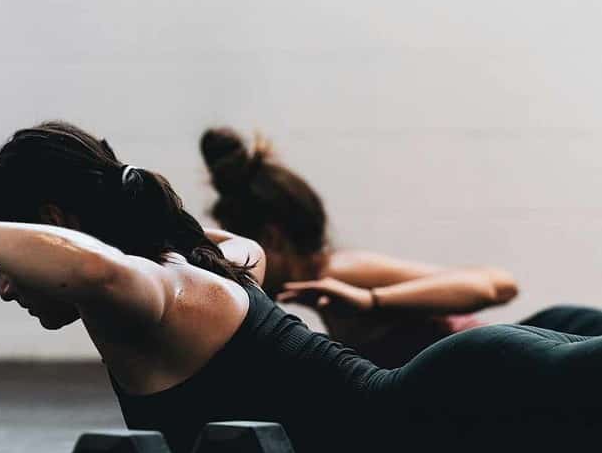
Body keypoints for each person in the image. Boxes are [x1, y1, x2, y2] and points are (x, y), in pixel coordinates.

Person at [0, 120, 602, 453]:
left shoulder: (155, 295)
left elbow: (90, 266)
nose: (8, 288)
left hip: (467, 416)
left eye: (7, 259)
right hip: (470, 422)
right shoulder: (211, 262)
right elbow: (133, 250)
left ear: (52, 224)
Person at [200, 128, 602, 366]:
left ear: (271, 239)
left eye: (239, 248)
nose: (234, 264)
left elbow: (496, 285)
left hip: (546, 344)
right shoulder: (325, 291)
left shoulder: (342, 272)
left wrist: (371, 300)